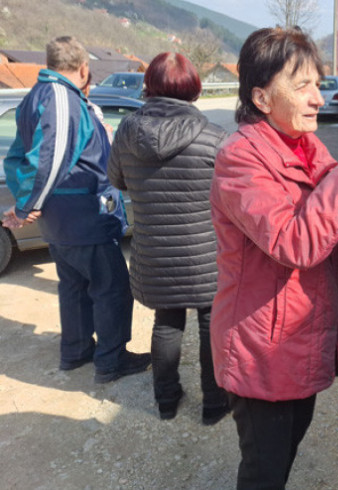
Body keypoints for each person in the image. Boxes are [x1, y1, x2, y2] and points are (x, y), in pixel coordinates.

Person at [210, 27, 338, 488]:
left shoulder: (307, 147)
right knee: (264, 470)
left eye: (318, 84)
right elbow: (295, 244)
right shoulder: (241, 160)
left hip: (303, 338)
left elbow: (327, 235)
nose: (318, 98)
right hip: (263, 348)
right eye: (302, 86)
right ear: (261, 97)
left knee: (288, 449)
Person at [2, 36, 150, 384]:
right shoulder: (61, 98)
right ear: (83, 68)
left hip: (62, 221)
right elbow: (50, 159)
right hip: (84, 216)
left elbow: (19, 156)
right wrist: (26, 205)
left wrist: (28, 199)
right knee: (111, 287)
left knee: (74, 286)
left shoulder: (35, 98)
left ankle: (76, 350)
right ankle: (111, 361)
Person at [107, 52, 230, 425]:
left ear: (149, 87)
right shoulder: (214, 137)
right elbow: (231, 196)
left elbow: (117, 181)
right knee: (212, 325)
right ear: (193, 89)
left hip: (154, 252)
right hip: (205, 254)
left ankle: (166, 400)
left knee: (166, 323)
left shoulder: (127, 132)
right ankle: (214, 403)